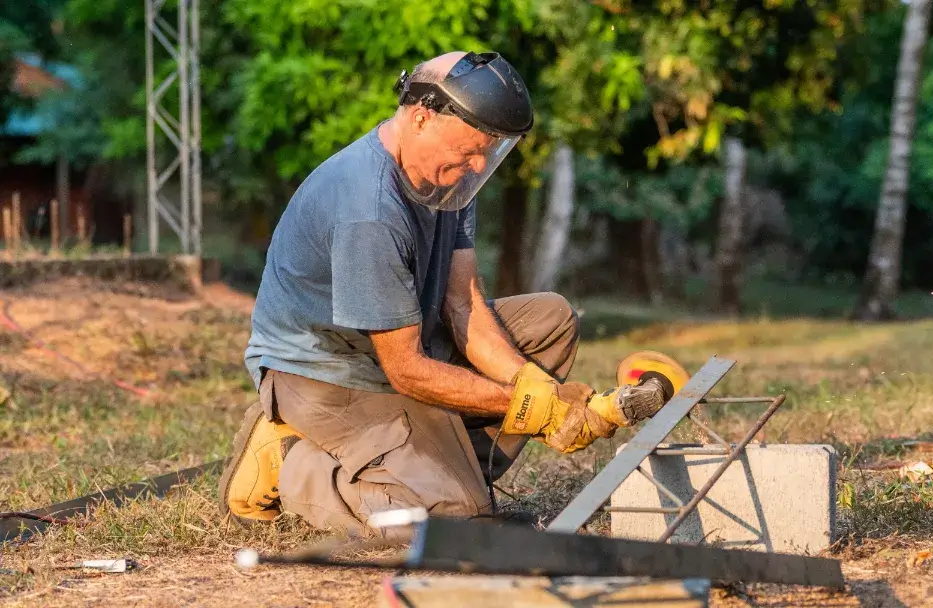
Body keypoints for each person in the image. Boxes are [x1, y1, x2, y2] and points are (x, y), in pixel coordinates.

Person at [217, 50, 687, 539]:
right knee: (447, 523)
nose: (478, 165)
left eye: (489, 151)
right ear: (421, 118)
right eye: (469, 150)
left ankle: (444, 473)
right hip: (326, 372)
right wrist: (535, 408)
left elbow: (463, 304)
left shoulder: (448, 177)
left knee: (551, 321)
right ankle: (291, 460)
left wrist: (533, 386)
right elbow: (406, 369)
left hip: (401, 344)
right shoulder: (368, 210)